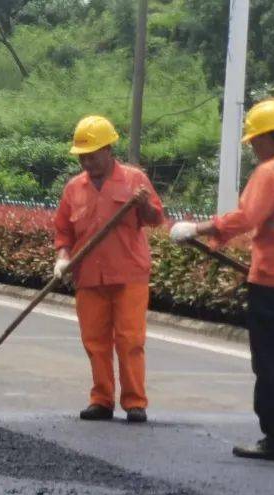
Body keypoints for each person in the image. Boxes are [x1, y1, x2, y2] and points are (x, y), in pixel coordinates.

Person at [170, 99, 274, 462]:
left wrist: (197, 228)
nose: (254, 149)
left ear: (267, 138)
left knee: (270, 360)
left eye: (254, 141)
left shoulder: (272, 173)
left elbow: (246, 217)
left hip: (273, 283)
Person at [54, 115, 165, 423]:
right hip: (88, 276)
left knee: (130, 340)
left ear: (108, 150)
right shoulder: (74, 188)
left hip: (128, 273)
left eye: (91, 155)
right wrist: (63, 258)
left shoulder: (134, 180)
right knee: (95, 340)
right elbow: (63, 231)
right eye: (82, 157)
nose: (86, 162)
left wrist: (142, 205)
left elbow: (156, 218)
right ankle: (101, 399)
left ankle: (134, 402)